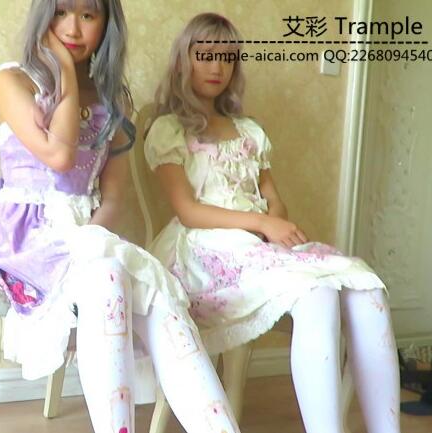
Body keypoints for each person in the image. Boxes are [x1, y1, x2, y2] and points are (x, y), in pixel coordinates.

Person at [0, 2, 240, 432]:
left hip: (86, 235)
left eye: (88, 16)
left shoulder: (112, 104)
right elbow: (59, 155)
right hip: (22, 238)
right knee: (108, 275)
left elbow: (113, 198)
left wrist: (91, 240)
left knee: (159, 299)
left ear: (106, 25)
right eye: (61, 12)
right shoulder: (12, 80)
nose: (72, 28)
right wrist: (64, 71)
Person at [145, 12, 400, 433]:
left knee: (367, 287)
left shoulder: (249, 131)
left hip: (257, 246)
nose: (217, 66)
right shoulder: (169, 129)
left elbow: (274, 201)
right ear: (183, 60)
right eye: (205, 55)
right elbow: (188, 210)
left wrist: (271, 225)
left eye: (227, 57)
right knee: (317, 291)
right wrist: (262, 223)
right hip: (202, 249)